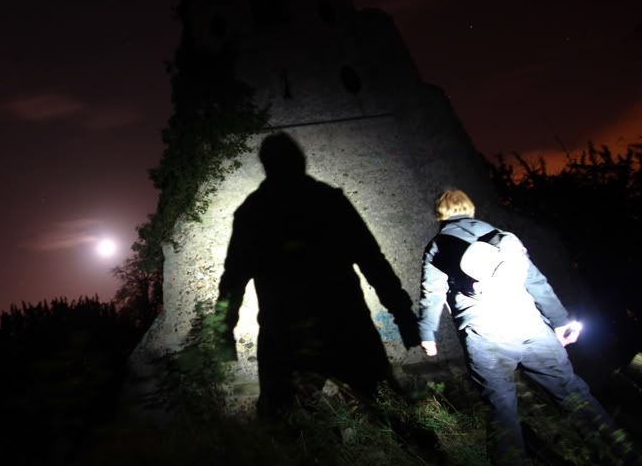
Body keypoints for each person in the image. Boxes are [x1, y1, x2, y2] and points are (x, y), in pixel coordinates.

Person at [215, 132, 418, 417]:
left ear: (266, 165)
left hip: (285, 334)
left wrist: (223, 334)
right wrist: (403, 313)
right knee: (388, 412)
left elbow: (233, 280)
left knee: (287, 425)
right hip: (346, 324)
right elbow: (372, 261)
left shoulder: (253, 212)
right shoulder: (328, 201)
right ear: (301, 161)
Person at [418, 189, 619, 464]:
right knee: (572, 393)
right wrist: (559, 322)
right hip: (531, 326)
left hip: (486, 337)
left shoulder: (438, 246)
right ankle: (618, 451)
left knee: (501, 409)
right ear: (470, 208)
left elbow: (432, 294)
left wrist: (427, 333)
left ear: (439, 215)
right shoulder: (503, 238)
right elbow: (536, 281)